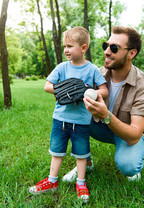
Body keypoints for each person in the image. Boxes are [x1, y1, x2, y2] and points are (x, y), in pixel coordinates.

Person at [62, 26, 144, 183]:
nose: (107, 51)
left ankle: (133, 163)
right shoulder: (96, 74)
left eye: (114, 48)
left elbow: (134, 136)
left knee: (129, 165)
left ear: (131, 53)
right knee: (70, 116)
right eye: (106, 45)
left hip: (126, 134)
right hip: (98, 126)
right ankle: (86, 162)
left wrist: (105, 115)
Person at [29, 26, 108, 202]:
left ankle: (81, 183)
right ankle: (52, 181)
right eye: (64, 46)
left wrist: (89, 91)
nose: (66, 50)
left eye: (70, 46)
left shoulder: (92, 70)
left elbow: (104, 90)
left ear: (84, 47)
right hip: (60, 119)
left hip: (81, 120)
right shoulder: (62, 67)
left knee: (81, 153)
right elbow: (47, 85)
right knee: (57, 151)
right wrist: (61, 89)